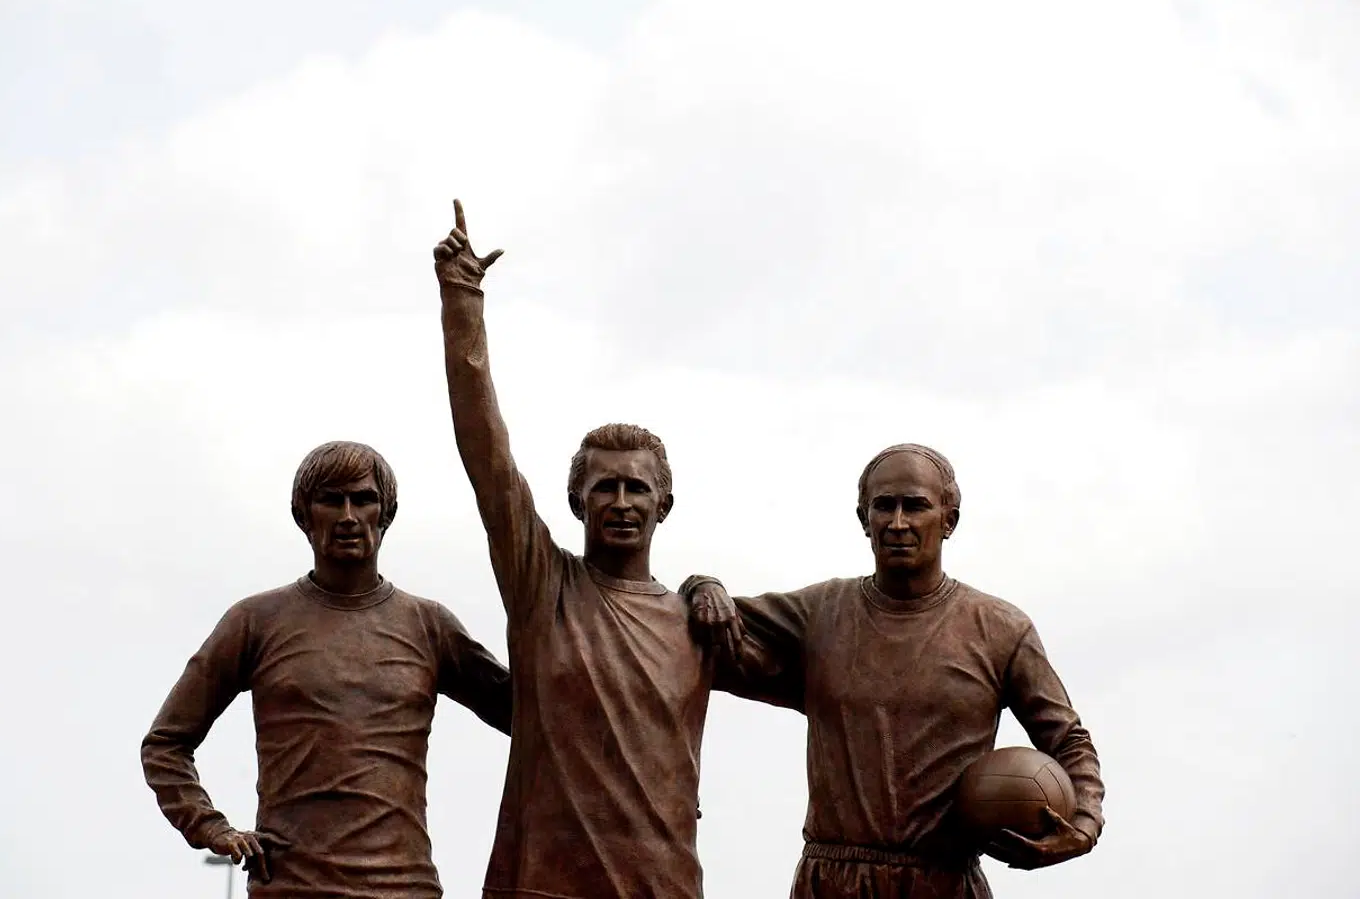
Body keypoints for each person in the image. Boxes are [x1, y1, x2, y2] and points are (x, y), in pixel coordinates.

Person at [432, 200, 772, 899]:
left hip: (663, 883)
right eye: (604, 487)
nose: (620, 501)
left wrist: (707, 586)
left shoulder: (697, 621)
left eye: (636, 488)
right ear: (576, 501)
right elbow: (487, 457)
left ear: (664, 504)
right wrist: (463, 302)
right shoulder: (542, 587)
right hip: (544, 884)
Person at [684, 443, 1104, 899]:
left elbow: (1068, 740)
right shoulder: (822, 612)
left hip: (943, 881)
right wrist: (701, 585)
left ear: (949, 520)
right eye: (884, 506)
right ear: (864, 519)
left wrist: (1082, 824)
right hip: (834, 881)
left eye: (916, 506)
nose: (898, 523)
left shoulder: (1000, 629)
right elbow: (702, 629)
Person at [141, 440, 511, 899]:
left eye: (363, 499)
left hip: (403, 886)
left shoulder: (429, 627)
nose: (348, 516)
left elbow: (533, 720)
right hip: (291, 888)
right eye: (331, 500)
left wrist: (561, 626)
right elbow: (165, 744)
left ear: (387, 513)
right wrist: (210, 828)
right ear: (303, 515)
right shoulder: (255, 621)